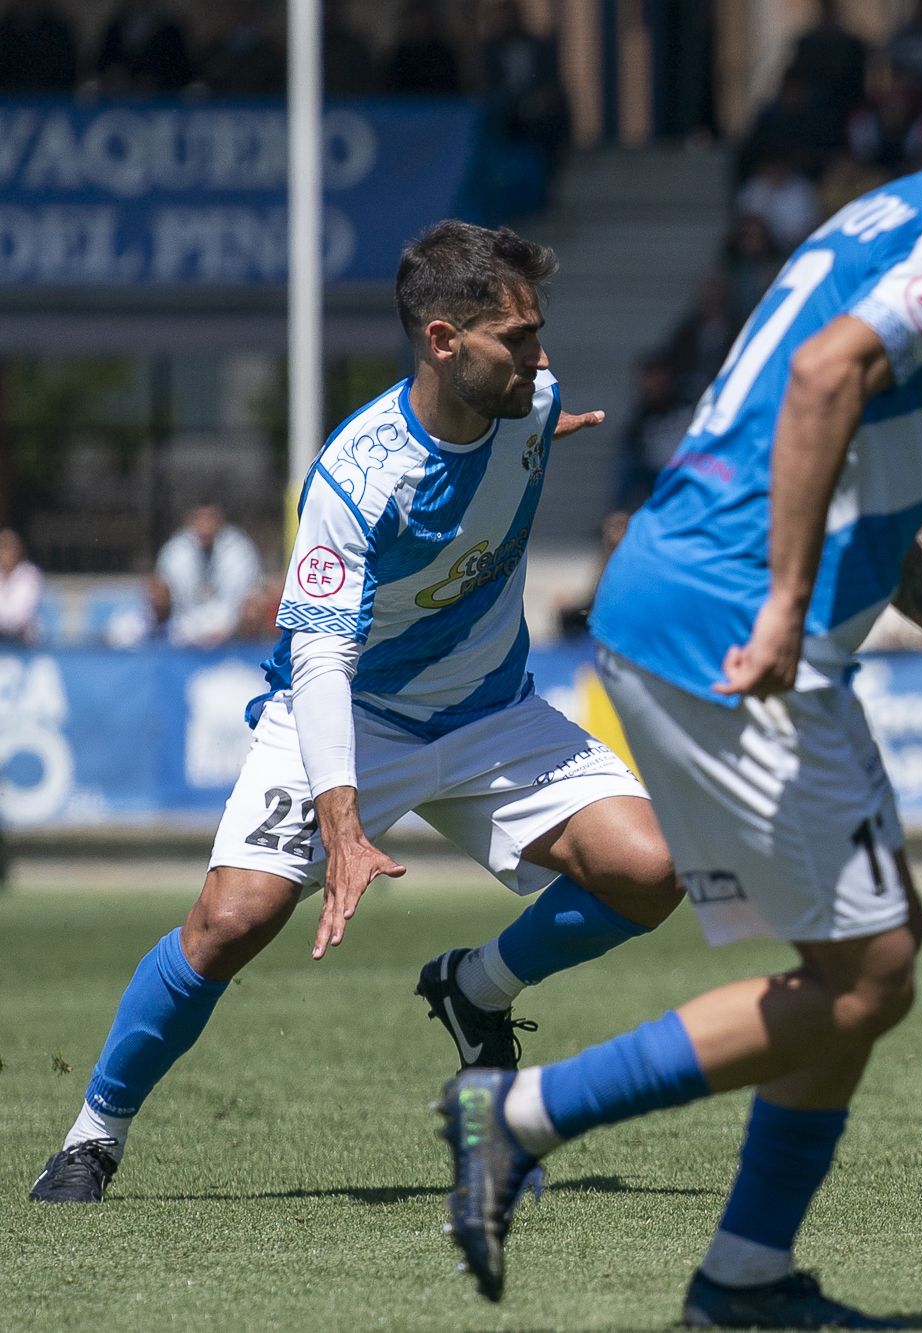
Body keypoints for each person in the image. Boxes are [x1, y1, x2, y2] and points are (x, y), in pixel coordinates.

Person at [436, 9, 922, 1325]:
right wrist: (789, 601)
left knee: (866, 952)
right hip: (732, 621)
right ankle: (522, 1113)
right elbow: (821, 379)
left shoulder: (874, 221)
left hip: (674, 597)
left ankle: (746, 1276)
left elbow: (856, 471)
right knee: (871, 971)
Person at [28, 223, 682, 1205]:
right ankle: (91, 1137)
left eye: (540, 333)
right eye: (518, 338)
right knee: (231, 920)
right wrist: (343, 820)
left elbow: (529, 426)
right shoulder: (354, 479)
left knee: (652, 870)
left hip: (488, 714)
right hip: (345, 716)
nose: (541, 358)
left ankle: (476, 990)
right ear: (441, 340)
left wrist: (553, 420)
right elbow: (322, 662)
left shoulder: (531, 402)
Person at [151, 503, 264, 648]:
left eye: (210, 518)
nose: (205, 525)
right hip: (182, 629)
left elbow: (252, 596)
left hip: (232, 632)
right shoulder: (175, 550)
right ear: (190, 521)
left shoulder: (239, 549)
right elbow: (161, 595)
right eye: (200, 519)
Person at [0, 527, 43, 645]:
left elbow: (20, 614)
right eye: (2, 548)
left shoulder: (29, 575)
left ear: (18, 551)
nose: (5, 554)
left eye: (9, 548)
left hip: (23, 640)